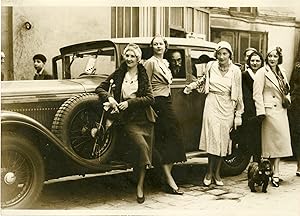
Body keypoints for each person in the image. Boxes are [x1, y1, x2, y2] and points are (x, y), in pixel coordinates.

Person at [95, 43, 156, 203]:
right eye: (127, 56)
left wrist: (130, 102)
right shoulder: (119, 73)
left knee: (144, 149)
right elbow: (100, 88)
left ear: (138, 59)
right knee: (141, 147)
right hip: (127, 120)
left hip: (143, 118)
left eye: (132, 56)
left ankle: (140, 186)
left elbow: (150, 98)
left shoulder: (143, 75)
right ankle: (137, 180)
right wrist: (110, 98)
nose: (129, 59)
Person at [184, 41, 244, 186]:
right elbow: (203, 80)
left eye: (225, 53)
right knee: (213, 139)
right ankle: (209, 172)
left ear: (230, 54)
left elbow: (239, 93)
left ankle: (217, 174)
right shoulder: (211, 66)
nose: (222, 56)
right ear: (215, 54)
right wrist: (191, 86)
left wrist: (238, 114)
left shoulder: (235, 70)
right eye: (219, 53)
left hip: (227, 105)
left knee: (222, 141)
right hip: (212, 102)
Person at [144, 35, 186, 195]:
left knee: (173, 139)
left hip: (166, 101)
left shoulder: (165, 63)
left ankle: (166, 177)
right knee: (170, 138)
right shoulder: (151, 62)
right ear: (152, 47)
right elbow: (146, 85)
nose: (158, 46)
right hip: (157, 103)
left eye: (161, 43)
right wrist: (150, 106)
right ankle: (169, 180)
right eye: (155, 44)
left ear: (165, 46)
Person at [253, 46, 293, 187]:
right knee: (271, 144)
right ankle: (272, 173)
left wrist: (287, 100)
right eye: (270, 56)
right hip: (269, 111)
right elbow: (257, 93)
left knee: (280, 142)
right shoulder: (262, 72)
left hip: (281, 110)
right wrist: (261, 111)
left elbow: (286, 89)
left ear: (279, 58)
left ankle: (276, 172)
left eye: (275, 56)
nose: (272, 59)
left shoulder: (282, 71)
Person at [239, 51, 264, 163]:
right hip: (249, 109)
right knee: (249, 138)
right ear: (249, 62)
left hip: (261, 109)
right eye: (252, 60)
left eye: (257, 60)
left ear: (261, 62)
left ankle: (257, 163)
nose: (255, 63)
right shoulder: (244, 75)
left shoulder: (264, 74)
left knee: (259, 138)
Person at [289, 58, 300, 177]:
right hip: (298, 103)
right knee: (298, 134)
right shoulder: (298, 67)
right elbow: (292, 84)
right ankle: (299, 165)